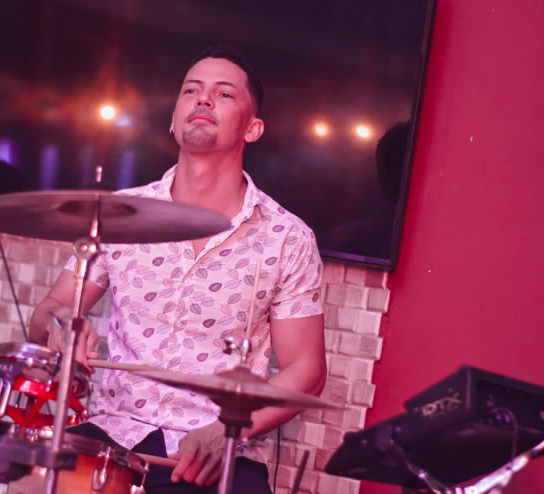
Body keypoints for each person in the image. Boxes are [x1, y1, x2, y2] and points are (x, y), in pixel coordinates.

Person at [29, 45, 327, 494]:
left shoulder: (287, 237)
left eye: (224, 94)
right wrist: (60, 327)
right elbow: (49, 310)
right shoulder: (120, 213)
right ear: (173, 119)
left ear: (253, 128)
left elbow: (306, 369)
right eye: (191, 90)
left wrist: (231, 429)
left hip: (219, 447)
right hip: (113, 434)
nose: (203, 99)